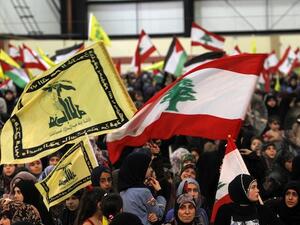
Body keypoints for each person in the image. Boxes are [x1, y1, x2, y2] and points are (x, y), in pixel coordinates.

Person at [118, 152, 166, 225]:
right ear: (139, 168)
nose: (151, 170)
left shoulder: (122, 192)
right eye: (149, 166)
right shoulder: (143, 192)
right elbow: (159, 214)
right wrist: (160, 192)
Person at [214, 174, 283, 225]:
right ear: (242, 190)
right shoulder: (225, 211)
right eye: (253, 187)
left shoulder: (263, 210)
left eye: (257, 187)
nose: (258, 190)